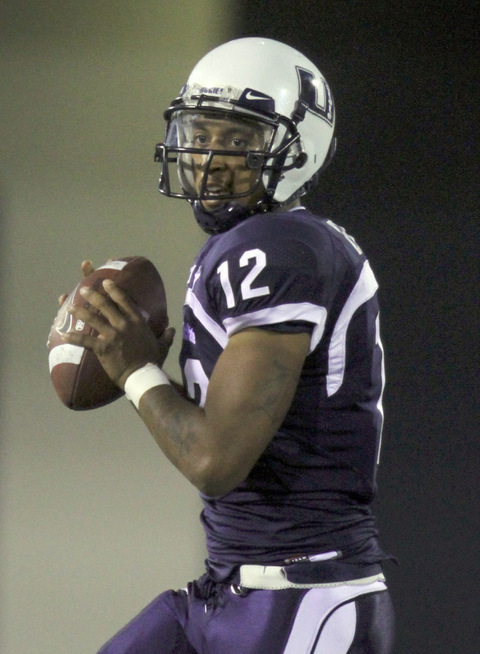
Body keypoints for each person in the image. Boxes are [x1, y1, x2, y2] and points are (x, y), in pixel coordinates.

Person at [63, 37, 395, 653]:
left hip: (300, 593)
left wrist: (136, 368)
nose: (212, 157)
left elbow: (216, 461)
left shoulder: (276, 248)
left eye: (238, 141)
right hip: (234, 588)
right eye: (202, 132)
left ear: (297, 148)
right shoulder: (264, 244)